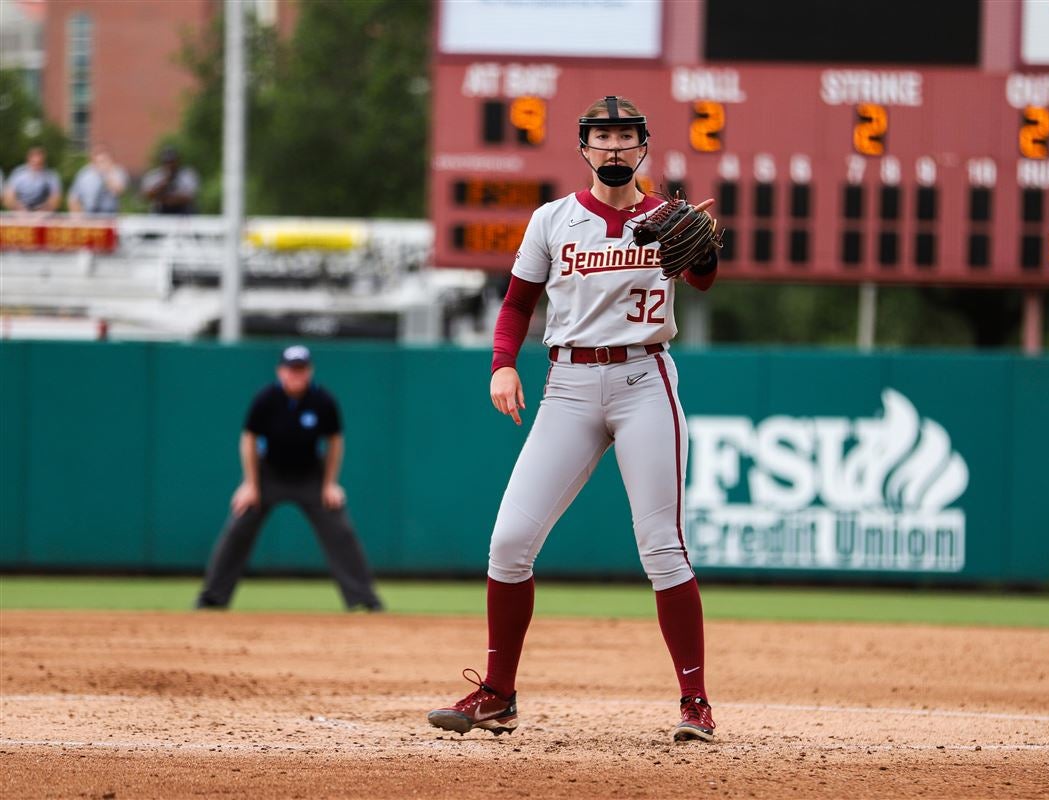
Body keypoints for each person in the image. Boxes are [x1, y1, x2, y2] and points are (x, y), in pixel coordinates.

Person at [427, 96, 720, 743]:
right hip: (569, 383)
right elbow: (515, 305)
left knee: (662, 547)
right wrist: (504, 363)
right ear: (583, 148)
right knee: (508, 543)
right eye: (602, 136)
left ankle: (694, 702)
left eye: (624, 136)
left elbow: (701, 280)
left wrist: (699, 253)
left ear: (643, 147)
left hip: (644, 379)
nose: (613, 147)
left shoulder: (667, 217)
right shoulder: (552, 220)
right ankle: (497, 694)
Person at [195, 345, 384, 612]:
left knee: (341, 530)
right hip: (269, 473)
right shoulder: (266, 398)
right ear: (280, 371)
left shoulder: (323, 400)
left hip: (310, 476)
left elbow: (335, 441)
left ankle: (365, 598)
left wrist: (330, 483)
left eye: (301, 369)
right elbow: (249, 439)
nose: (296, 374)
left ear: (309, 371)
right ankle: (212, 597)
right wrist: (250, 484)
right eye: (291, 369)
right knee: (238, 527)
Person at [68, 143, 128, 215]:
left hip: (109, 214)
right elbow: (73, 198)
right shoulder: (84, 174)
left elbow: (119, 190)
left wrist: (107, 174)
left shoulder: (117, 171)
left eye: (103, 160)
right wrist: (77, 216)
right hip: (88, 215)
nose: (101, 164)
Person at [140, 145, 199, 214]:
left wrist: (166, 199)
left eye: (172, 161)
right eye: (166, 162)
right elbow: (145, 196)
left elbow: (189, 197)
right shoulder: (154, 175)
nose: (170, 165)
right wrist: (164, 183)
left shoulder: (187, 174)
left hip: (183, 211)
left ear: (178, 161)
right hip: (160, 210)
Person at [2, 146, 62, 213]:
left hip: (44, 216)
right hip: (19, 215)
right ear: (28, 159)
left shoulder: (51, 175)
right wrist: (19, 210)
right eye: (34, 162)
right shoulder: (18, 174)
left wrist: (42, 212)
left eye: (40, 163)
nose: (37, 165)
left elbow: (56, 199)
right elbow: (8, 198)